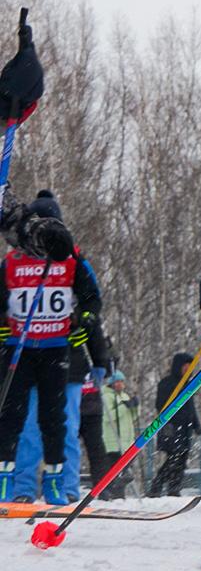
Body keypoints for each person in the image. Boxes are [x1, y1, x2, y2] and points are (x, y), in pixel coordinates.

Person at [0, 191, 104, 505]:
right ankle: (8, 480)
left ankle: (56, 483)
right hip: (20, 347)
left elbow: (92, 299)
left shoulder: (71, 257)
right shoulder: (12, 260)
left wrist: (83, 323)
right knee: (12, 415)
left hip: (56, 348)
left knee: (54, 418)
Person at [151, 351, 201, 497]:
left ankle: (174, 487)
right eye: (185, 366)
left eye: (189, 367)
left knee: (182, 458)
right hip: (171, 427)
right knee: (174, 456)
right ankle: (158, 484)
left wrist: (196, 425)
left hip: (185, 428)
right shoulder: (167, 383)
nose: (187, 369)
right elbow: (160, 404)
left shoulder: (188, 385)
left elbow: (191, 407)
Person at [91, 370, 139, 499]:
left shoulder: (124, 396)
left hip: (126, 440)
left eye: (121, 381)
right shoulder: (106, 396)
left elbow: (132, 417)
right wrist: (124, 407)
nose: (120, 384)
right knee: (113, 470)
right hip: (112, 441)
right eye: (117, 381)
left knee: (122, 470)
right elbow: (108, 416)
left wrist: (134, 407)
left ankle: (118, 494)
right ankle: (109, 493)